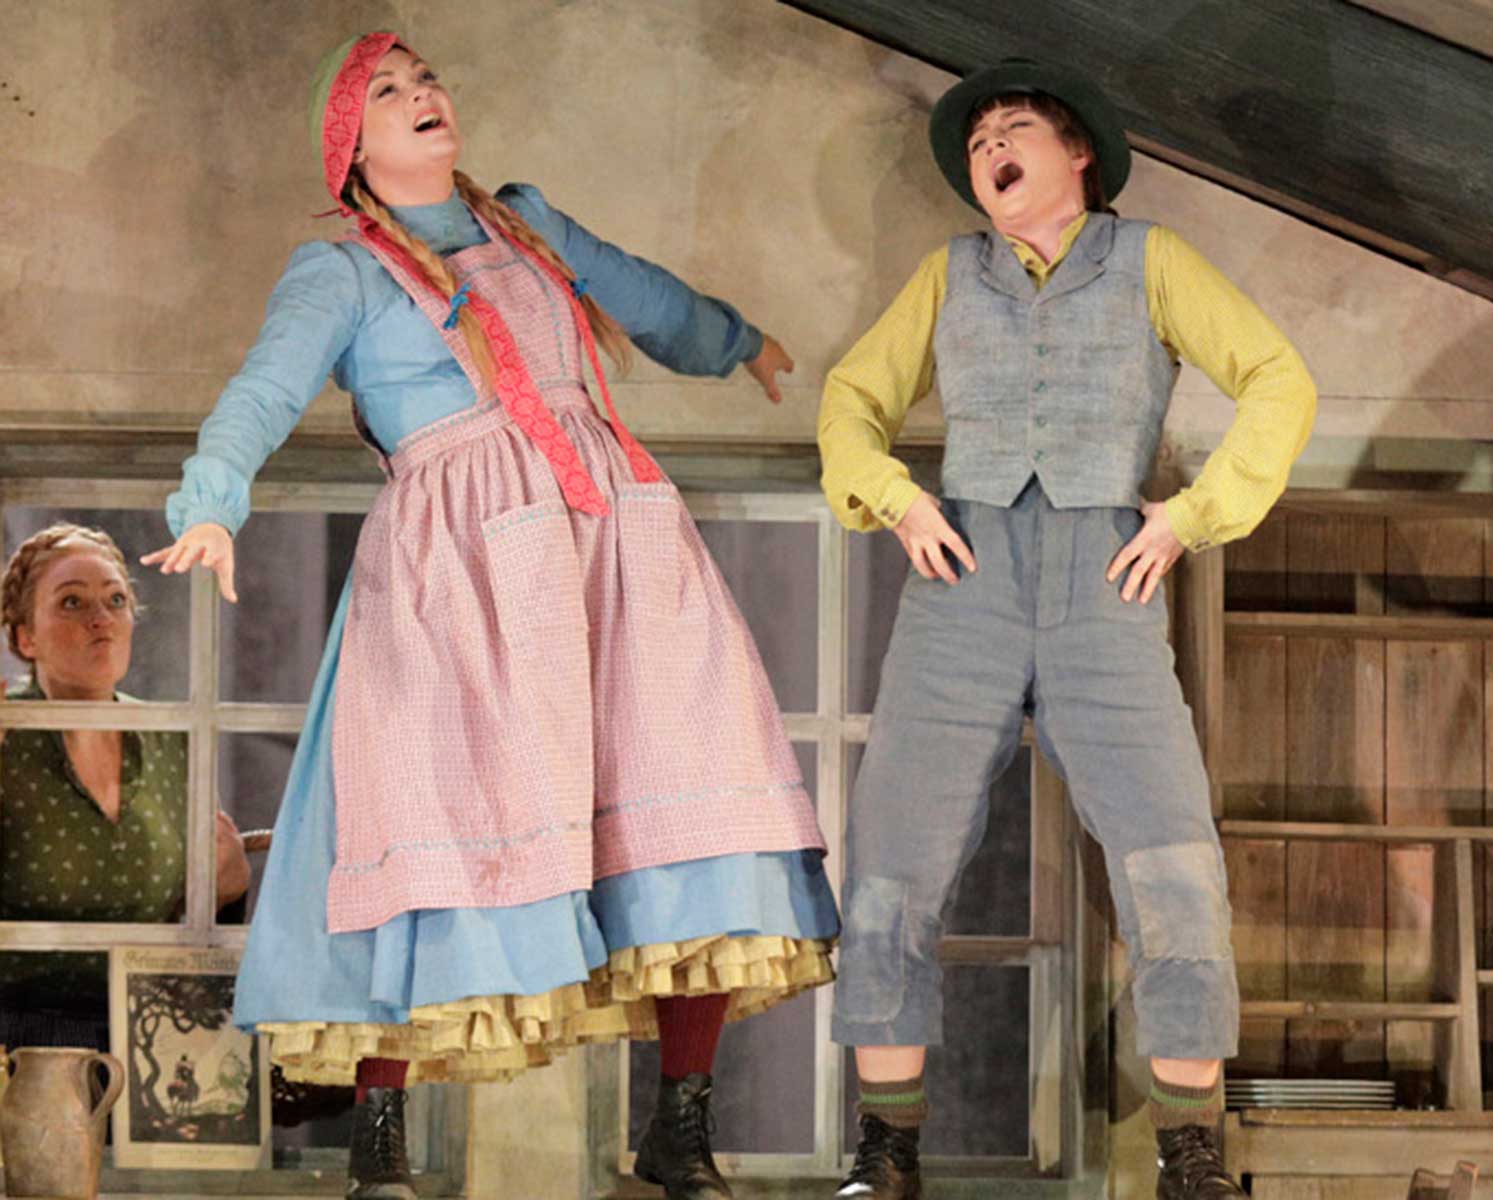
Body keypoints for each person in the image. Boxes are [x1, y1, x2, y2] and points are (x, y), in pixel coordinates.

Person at [141, 33, 837, 1200]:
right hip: (461, 562)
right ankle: (379, 1150)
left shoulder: (526, 224)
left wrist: (734, 341)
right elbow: (261, 389)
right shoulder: (344, 271)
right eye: (388, 92)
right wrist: (211, 501)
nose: (423, 97)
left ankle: (681, 1125)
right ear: (348, 147)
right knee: (419, 816)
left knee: (689, 801)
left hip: (610, 534)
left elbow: (643, 294)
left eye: (427, 79)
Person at [817, 58, 1317, 1200]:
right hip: (967, 574)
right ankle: (886, 1156)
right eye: (981, 136)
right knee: (894, 856)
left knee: (1171, 858)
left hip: (1108, 577)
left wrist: (1194, 516)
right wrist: (896, 498)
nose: (993, 145)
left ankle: (1193, 1159)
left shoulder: (1148, 262)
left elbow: (1279, 378)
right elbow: (851, 400)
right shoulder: (951, 276)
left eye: (1017, 128)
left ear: (1075, 152)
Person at [0, 524, 249, 1050]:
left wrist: (228, 891)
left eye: (116, 599)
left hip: (152, 1042)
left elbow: (205, 918)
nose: (101, 618)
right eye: (71, 602)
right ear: (26, 637)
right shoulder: (8, 736)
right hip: (17, 1046)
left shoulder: (172, 736)